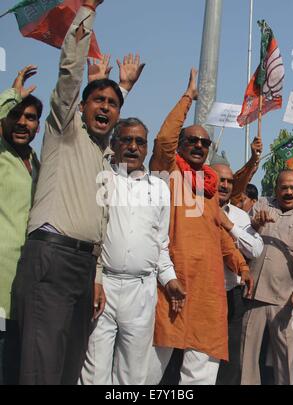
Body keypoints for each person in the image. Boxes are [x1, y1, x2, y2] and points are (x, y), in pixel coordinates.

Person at [13, 1, 144, 385]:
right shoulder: (63, 131)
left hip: (84, 269)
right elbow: (71, 72)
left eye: (113, 104)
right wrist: (86, 9)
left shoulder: (106, 155)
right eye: (97, 101)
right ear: (79, 107)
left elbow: (100, 222)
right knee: (42, 367)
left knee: (70, 368)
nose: (105, 108)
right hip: (51, 258)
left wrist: (98, 275)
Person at [146, 69, 252, 385]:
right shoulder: (168, 172)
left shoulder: (208, 188)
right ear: (181, 145)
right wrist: (187, 98)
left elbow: (220, 235)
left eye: (204, 142)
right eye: (191, 140)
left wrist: (242, 266)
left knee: (202, 371)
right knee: (150, 370)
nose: (198, 145)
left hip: (208, 290)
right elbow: (163, 139)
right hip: (170, 283)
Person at [80, 118, 186, 385]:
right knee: (94, 371)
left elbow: (160, 244)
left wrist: (170, 279)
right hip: (102, 286)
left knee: (133, 372)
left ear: (147, 148)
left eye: (140, 142)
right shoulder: (103, 180)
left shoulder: (160, 189)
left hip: (142, 289)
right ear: (114, 144)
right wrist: (95, 279)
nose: (133, 146)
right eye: (126, 139)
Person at [0, 65, 42, 385]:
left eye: (30, 118)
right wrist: (13, 93)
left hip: (26, 287)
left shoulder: (36, 161)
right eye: (16, 116)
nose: (22, 123)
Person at [240, 169, 293, 385]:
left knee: (287, 362)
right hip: (253, 294)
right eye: (284, 187)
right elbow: (240, 239)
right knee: (246, 360)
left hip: (286, 300)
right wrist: (255, 224)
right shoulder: (261, 205)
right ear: (276, 189)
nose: (290, 192)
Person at [211, 164, 263, 385]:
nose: (224, 185)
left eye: (229, 181)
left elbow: (255, 249)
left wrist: (230, 226)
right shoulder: (192, 208)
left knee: (229, 361)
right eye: (219, 180)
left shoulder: (240, 217)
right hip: (199, 295)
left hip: (231, 296)